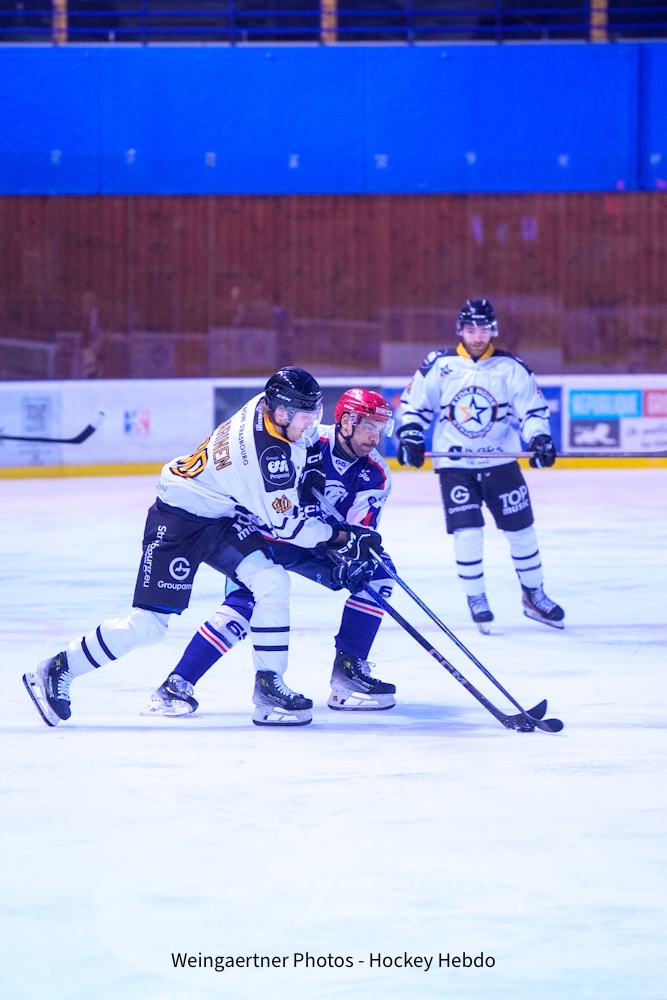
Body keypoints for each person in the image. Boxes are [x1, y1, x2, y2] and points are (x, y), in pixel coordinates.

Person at [23, 369, 382, 728]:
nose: (311, 425)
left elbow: (297, 447)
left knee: (272, 582)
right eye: (305, 418)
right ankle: (58, 667)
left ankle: (269, 686)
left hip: (220, 516)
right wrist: (342, 537)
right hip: (178, 521)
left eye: (314, 415)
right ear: (283, 413)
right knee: (149, 625)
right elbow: (287, 527)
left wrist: (310, 469)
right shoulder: (264, 455)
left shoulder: (265, 406)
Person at [146, 388, 398, 717]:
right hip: (262, 534)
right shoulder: (307, 441)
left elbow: (358, 533)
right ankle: (176, 685)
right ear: (347, 422)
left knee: (379, 574)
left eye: (381, 429)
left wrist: (352, 557)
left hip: (314, 541)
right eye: (370, 427)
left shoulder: (376, 474)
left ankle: (348, 671)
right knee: (245, 604)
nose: (375, 437)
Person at [395, 299, 564, 633]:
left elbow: (532, 412)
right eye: (470, 329)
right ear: (460, 329)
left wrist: (540, 438)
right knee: (468, 534)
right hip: (455, 466)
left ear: (493, 330)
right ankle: (477, 598)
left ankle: (534, 595)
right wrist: (411, 435)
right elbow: (414, 407)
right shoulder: (439, 364)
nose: (476, 335)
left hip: (500, 462)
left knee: (522, 533)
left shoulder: (511, 367)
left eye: (483, 329)